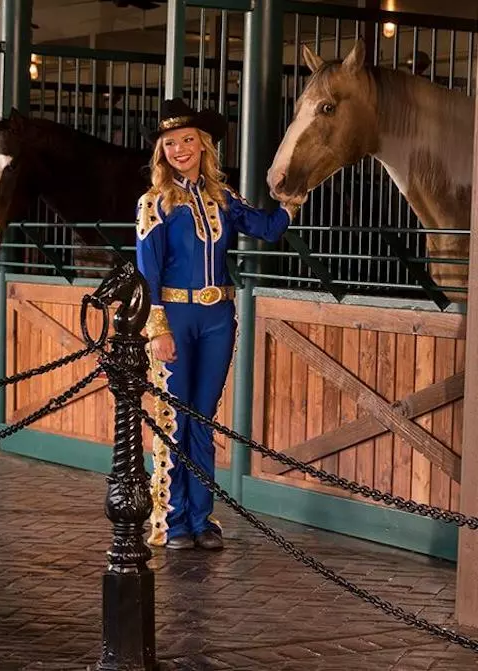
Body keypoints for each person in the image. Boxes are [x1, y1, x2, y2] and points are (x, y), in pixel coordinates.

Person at [135, 98, 299, 552]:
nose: (180, 149)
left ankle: (201, 518)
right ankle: (172, 519)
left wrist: (295, 196)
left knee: (202, 420)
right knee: (173, 419)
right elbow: (147, 272)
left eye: (188, 140)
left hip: (218, 318)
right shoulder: (154, 203)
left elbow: (266, 229)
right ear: (161, 152)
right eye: (170, 144)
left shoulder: (222, 198)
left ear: (203, 145)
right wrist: (158, 327)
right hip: (175, 316)